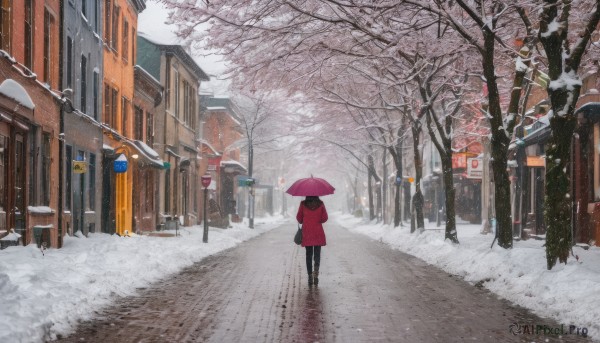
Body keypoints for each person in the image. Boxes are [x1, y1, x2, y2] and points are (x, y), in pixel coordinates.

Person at [296, 196, 328, 286]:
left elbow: (299, 219)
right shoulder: (320, 204)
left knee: (308, 255)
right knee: (317, 255)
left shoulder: (303, 204)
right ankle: (316, 275)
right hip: (318, 232)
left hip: (307, 232)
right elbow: (324, 218)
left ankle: (310, 276)